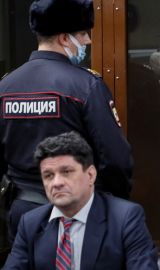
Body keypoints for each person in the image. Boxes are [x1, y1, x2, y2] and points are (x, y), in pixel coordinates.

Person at [0, 0, 133, 242]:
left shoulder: (6, 86)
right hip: (75, 212)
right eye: (82, 34)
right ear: (64, 38)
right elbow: (115, 160)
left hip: (21, 212)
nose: (88, 41)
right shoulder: (86, 85)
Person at [3, 131, 158, 269]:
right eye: (48, 175)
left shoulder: (125, 218)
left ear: (90, 175)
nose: (56, 183)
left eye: (66, 172)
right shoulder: (30, 223)